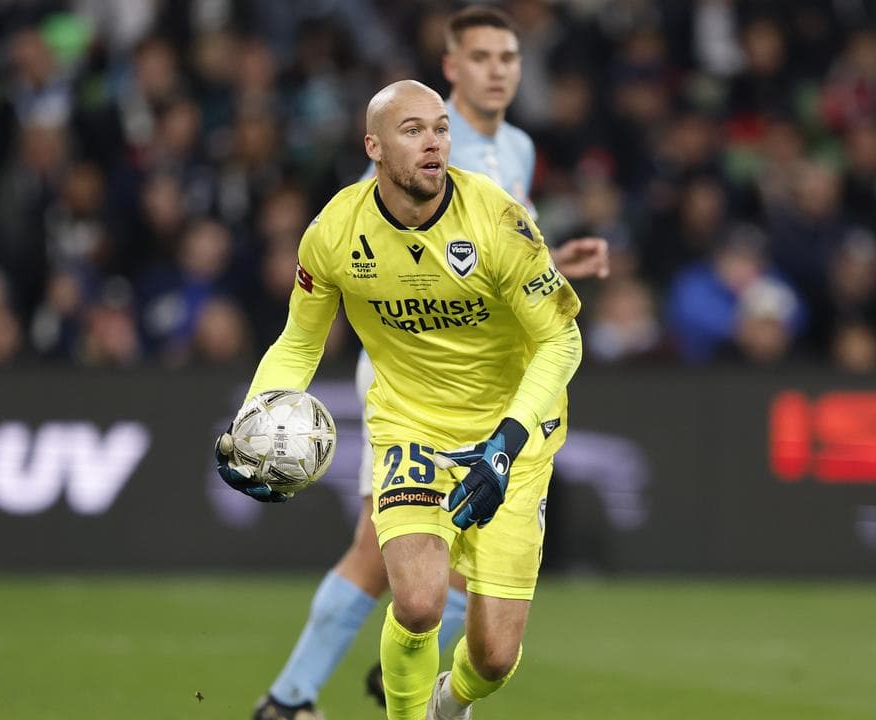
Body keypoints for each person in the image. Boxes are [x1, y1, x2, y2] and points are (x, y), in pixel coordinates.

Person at [248, 7, 607, 719]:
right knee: (413, 597)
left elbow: (560, 337)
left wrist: (507, 440)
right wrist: (255, 417)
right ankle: (299, 698)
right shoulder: (336, 230)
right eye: (414, 130)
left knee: (493, 656)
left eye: (440, 129)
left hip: (509, 429)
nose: (435, 141)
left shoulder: (504, 192)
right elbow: (299, 340)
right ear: (374, 148)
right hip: (410, 418)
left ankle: (445, 699)